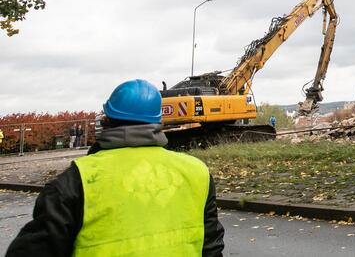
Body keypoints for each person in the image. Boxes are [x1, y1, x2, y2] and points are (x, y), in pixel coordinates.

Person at [7, 79, 225, 256]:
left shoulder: (77, 179)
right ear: (158, 120)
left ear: (108, 119)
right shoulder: (197, 172)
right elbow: (211, 247)